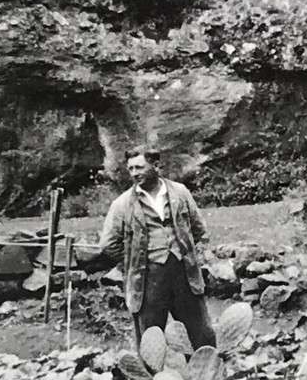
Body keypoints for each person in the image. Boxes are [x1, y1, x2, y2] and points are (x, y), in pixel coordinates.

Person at [84, 146, 216, 350]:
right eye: (131, 169)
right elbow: (108, 243)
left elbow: (198, 228)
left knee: (201, 332)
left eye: (139, 167)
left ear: (156, 165)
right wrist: (135, 260)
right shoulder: (122, 204)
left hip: (184, 273)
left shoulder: (179, 193)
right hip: (147, 280)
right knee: (150, 338)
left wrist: (187, 252)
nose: (135, 173)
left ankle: (209, 373)